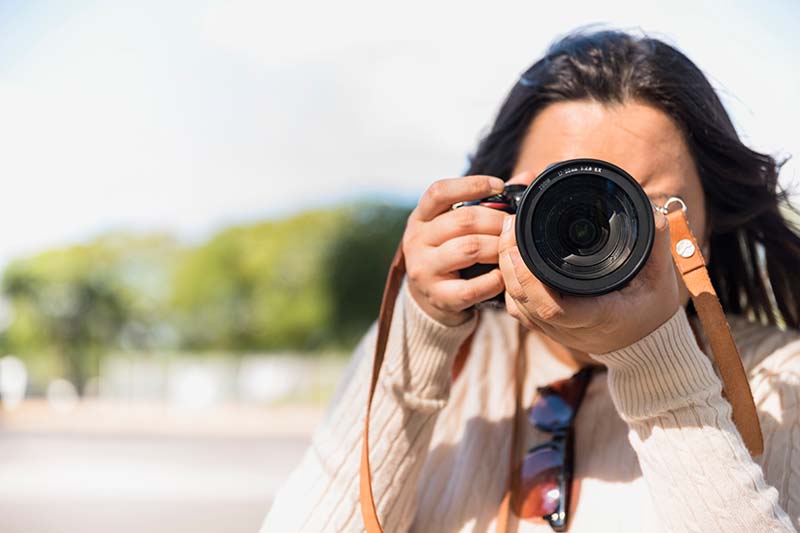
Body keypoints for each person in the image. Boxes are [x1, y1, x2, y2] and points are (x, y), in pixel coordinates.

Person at [262, 29, 800, 532]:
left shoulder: (782, 382)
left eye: (646, 204)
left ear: (704, 230)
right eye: (563, 195)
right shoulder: (451, 353)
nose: (606, 230)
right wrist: (420, 328)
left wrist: (657, 360)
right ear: (499, 201)